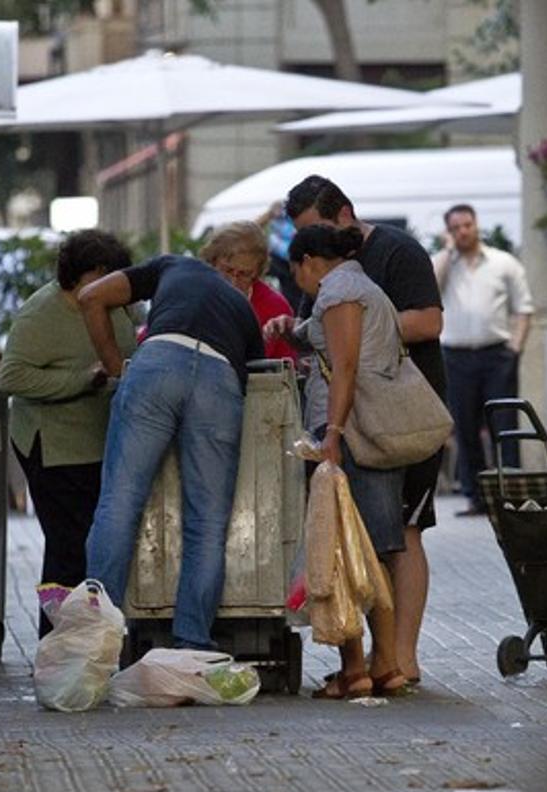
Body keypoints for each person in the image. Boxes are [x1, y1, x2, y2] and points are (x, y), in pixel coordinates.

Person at [280, 175, 445, 686]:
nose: (315, 245)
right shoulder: (339, 285)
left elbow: (421, 327)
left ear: (344, 214)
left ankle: (391, 659)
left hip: (386, 422)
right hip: (358, 423)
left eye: (317, 234)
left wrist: (333, 427)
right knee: (377, 539)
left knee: (387, 537)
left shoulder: (374, 269)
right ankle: (383, 662)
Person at [79, 253, 265, 650]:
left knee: (119, 504)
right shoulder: (242, 307)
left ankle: (97, 637)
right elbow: (255, 371)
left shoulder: (173, 266)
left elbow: (91, 296)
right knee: (208, 525)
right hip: (220, 380)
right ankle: (193, 644)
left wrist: (115, 366)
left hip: (157, 365)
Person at [276, 223, 411, 698]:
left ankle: (356, 668)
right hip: (373, 431)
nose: (301, 285)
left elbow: (347, 366)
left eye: (297, 274)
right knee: (375, 550)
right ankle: (388, 664)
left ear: (308, 262)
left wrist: (331, 433)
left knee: (342, 549)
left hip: (348, 434)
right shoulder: (367, 287)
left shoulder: (337, 292)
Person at [0, 230, 135, 637]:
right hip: (53, 448)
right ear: (75, 277)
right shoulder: (42, 314)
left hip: (98, 444)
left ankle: (91, 637)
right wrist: (80, 380)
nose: (108, 285)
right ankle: (56, 642)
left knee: (94, 545)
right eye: (99, 277)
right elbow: (11, 376)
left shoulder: (115, 305)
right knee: (67, 547)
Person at [434, 204, 534, 516]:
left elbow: (523, 308)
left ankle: (512, 495)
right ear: (448, 232)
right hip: (456, 356)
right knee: (464, 427)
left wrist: (515, 348)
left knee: (505, 425)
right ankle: (476, 497)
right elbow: (430, 290)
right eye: (455, 228)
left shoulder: (504, 263)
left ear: (476, 225)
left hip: (497, 355)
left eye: (467, 225)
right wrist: (446, 253)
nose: (463, 231)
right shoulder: (445, 266)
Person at [200, 220, 299, 362]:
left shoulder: (276, 307)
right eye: (227, 270)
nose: (233, 282)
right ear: (213, 262)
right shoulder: (198, 297)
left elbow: (286, 371)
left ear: (257, 274)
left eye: (244, 274)